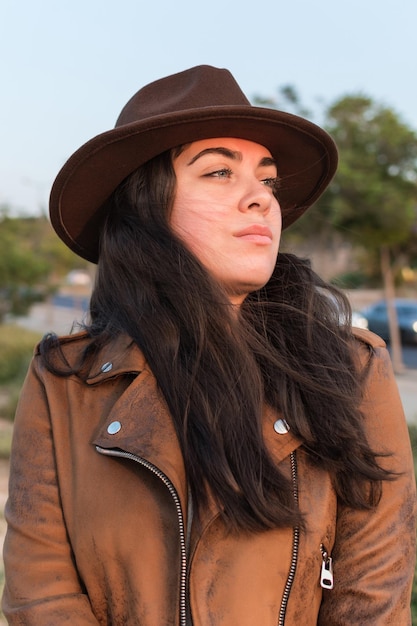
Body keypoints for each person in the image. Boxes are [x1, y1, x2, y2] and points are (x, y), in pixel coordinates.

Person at [2, 65, 416, 625]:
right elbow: (39, 593)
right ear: (146, 208)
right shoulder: (64, 383)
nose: (261, 200)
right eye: (220, 172)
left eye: (267, 180)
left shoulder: (350, 370)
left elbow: (374, 596)